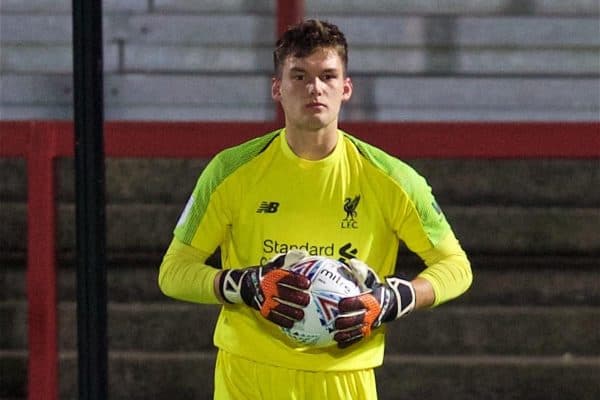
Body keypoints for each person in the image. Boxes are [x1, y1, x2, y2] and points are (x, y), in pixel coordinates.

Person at [158, 19, 472, 400]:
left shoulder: (393, 179)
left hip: (344, 378)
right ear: (277, 88)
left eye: (327, 76)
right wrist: (243, 285)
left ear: (346, 88)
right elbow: (173, 272)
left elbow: (457, 267)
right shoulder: (230, 170)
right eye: (299, 76)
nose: (315, 88)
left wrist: (397, 297)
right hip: (249, 375)